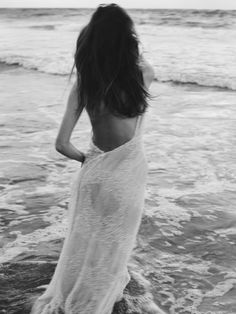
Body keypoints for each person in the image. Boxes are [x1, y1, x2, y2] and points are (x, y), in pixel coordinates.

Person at [30, 3, 157, 314]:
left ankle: (77, 296)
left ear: (92, 40)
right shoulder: (144, 73)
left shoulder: (84, 83)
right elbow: (138, 63)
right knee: (113, 245)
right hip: (127, 176)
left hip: (95, 172)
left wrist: (89, 160)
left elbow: (62, 145)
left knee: (85, 242)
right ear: (128, 37)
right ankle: (102, 298)